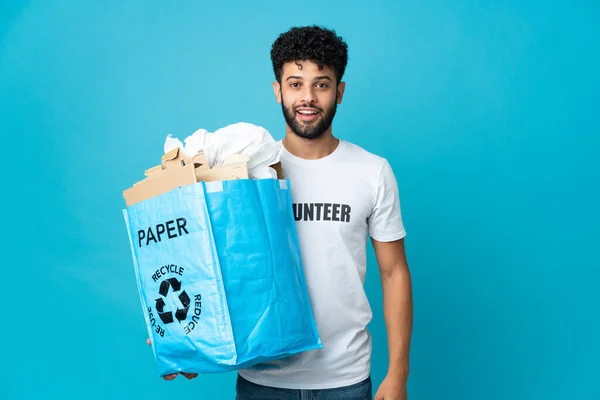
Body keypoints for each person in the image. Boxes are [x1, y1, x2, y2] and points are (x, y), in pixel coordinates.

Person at [150, 25, 413, 400]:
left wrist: (398, 373)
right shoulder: (244, 173)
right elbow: (207, 264)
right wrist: (183, 336)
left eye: (321, 84)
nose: (308, 97)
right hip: (263, 379)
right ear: (278, 91)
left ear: (339, 92)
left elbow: (394, 271)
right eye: (295, 84)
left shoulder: (373, 171)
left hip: (347, 380)